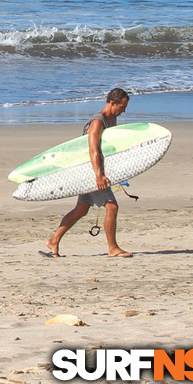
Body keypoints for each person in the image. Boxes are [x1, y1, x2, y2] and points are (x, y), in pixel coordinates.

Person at [45, 88, 133, 258]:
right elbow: (93, 149)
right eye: (122, 107)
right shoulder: (98, 122)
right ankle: (113, 248)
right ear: (112, 102)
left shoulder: (111, 118)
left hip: (94, 171)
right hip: (91, 172)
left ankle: (54, 240)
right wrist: (98, 175)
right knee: (112, 207)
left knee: (81, 210)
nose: (123, 111)